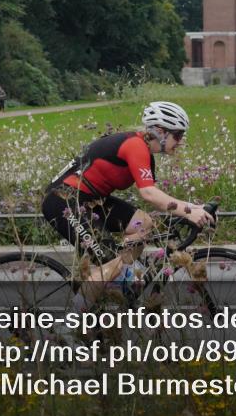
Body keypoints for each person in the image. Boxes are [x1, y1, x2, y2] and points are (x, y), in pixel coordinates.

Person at [41, 101, 214, 305]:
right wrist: (187, 211)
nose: (180, 141)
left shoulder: (145, 152)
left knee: (143, 222)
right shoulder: (135, 146)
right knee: (113, 264)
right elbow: (149, 194)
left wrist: (194, 208)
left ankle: (118, 286)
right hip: (64, 202)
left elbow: (158, 196)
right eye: (177, 135)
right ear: (160, 131)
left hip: (90, 200)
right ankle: (71, 329)